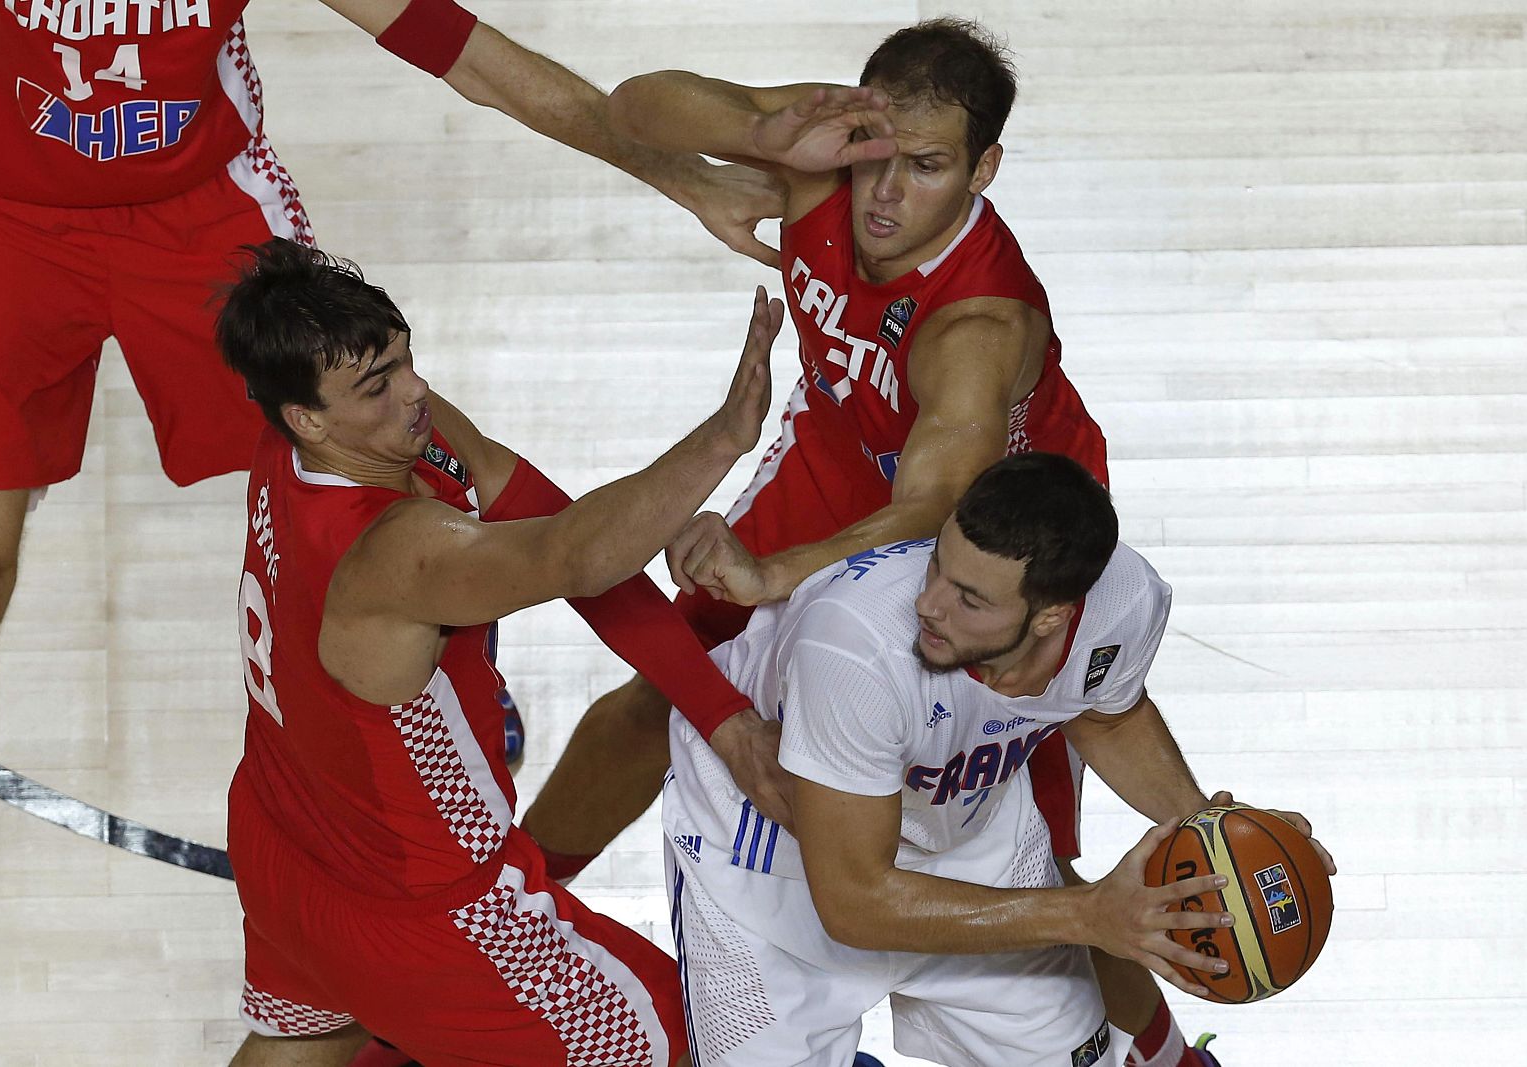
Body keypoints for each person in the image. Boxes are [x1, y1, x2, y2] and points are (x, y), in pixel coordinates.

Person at [518, 19, 1211, 1067]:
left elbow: (933, 501)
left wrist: (774, 572)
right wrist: (764, 129)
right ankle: (507, 909)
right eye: (877, 158)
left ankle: (1159, 1052)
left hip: (991, 528)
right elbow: (636, 102)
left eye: (926, 169)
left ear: (982, 171)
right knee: (654, 706)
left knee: (1014, 850)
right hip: (841, 457)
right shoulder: (834, 144)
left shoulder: (975, 326)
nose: (884, 194)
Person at [0, 0, 781, 773]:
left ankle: (462, 634)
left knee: (410, 449)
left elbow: (471, 56)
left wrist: (682, 175)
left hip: (203, 215)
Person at [215, 238, 780, 1067]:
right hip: (425, 912)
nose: (415, 394)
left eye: (405, 359)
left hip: (285, 842)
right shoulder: (394, 552)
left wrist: (722, 717)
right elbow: (575, 557)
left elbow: (575, 547)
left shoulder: (297, 442)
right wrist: (725, 438)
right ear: (310, 416)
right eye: (379, 386)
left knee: (303, 1044)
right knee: (690, 1040)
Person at [661, 454, 1336, 1066]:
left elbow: (1109, 714)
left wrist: (1216, 829)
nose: (929, 603)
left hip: (961, 831)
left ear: (1052, 616)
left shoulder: (1123, 601)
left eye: (970, 598)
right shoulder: (854, 647)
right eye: (936, 566)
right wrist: (1087, 913)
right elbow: (854, 901)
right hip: (770, 864)